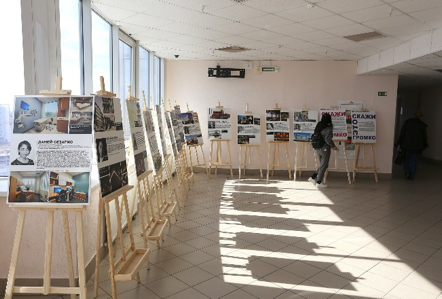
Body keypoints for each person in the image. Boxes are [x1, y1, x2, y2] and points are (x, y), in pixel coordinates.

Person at [396, 110, 428, 180]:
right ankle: (412, 175)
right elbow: (424, 136)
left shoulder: (407, 123)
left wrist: (399, 142)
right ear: (421, 117)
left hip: (406, 144)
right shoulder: (422, 125)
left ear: (412, 115)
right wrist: (425, 145)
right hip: (417, 146)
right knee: (414, 161)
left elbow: (402, 134)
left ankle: (407, 171)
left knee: (406, 159)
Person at [308, 113, 337, 188]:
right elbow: (328, 139)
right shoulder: (328, 127)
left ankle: (313, 177)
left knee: (323, 165)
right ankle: (319, 182)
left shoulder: (319, 125)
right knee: (323, 165)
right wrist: (333, 146)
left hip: (318, 147)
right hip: (325, 148)